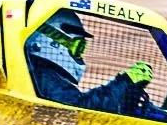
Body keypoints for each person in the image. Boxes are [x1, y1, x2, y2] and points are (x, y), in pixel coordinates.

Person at [24, 9, 152, 116]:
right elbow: (80, 111)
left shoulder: (38, 73)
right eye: (79, 47)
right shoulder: (45, 77)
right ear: (53, 42)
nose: (80, 55)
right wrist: (125, 83)